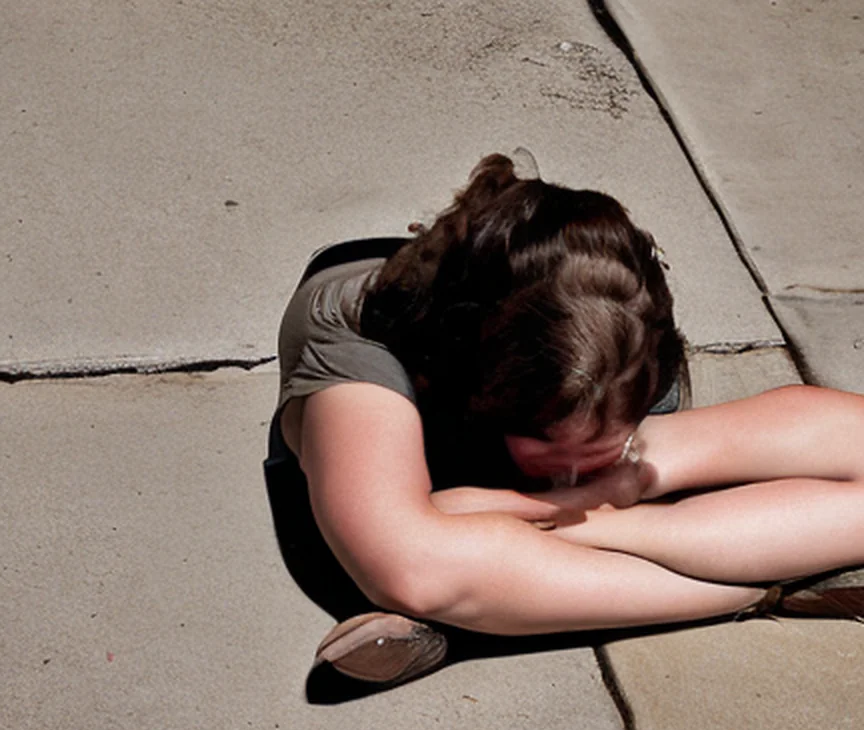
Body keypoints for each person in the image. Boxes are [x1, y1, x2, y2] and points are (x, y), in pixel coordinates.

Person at [265, 152, 864, 687]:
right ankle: (754, 586)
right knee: (403, 566)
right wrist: (744, 592)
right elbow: (412, 568)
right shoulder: (355, 342)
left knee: (484, 538)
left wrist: (603, 500)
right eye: (553, 454)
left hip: (511, 434)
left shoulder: (617, 331)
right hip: (426, 437)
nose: (573, 476)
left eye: (610, 441)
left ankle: (488, 615)